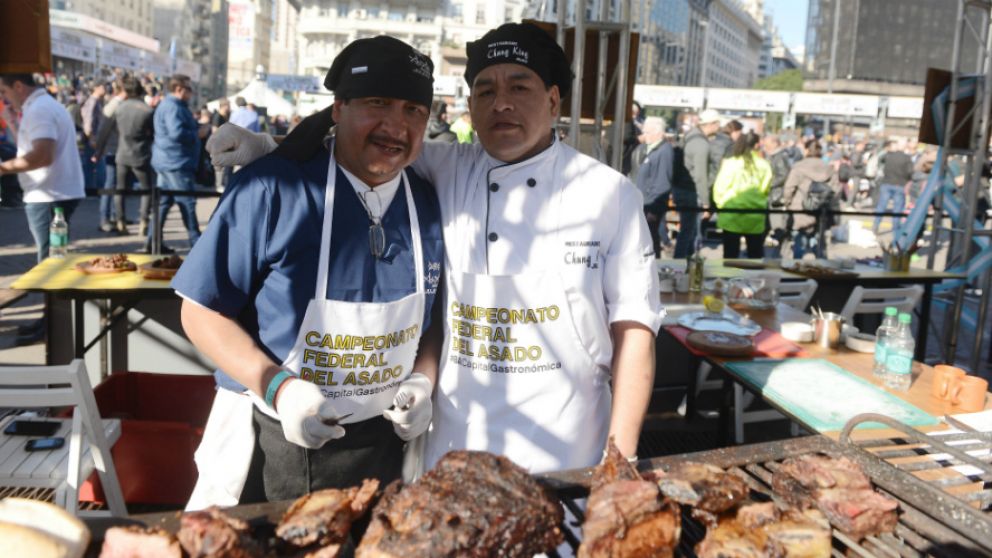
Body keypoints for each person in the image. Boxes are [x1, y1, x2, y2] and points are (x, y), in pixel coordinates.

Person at [208, 22, 662, 472]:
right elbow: (364, 136)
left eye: (519, 87)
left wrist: (620, 459)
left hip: (567, 446)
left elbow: (635, 332)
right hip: (454, 444)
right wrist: (276, 146)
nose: (501, 102)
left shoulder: (609, 194)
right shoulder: (447, 166)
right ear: (469, 107)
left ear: (554, 99)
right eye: (484, 91)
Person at [176, 36, 444, 508]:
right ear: (338, 109)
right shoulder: (271, 190)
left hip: (387, 452)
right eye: (377, 103)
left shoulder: (428, 201)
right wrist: (279, 389)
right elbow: (201, 312)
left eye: (413, 110)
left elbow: (434, 322)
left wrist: (423, 380)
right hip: (273, 439)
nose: (396, 125)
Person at [0, 73, 85, 262]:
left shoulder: (40, 109)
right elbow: (31, 148)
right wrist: (13, 123)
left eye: (4, 91)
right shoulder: (43, 105)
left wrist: (3, 168)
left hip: (48, 194)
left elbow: (42, 156)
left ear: (18, 86)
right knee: (54, 257)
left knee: (50, 261)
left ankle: (55, 293)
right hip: (51, 192)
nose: (3, 98)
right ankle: (56, 292)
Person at [93, 75, 155, 239]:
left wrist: (98, 151)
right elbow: (153, 134)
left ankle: (120, 222)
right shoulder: (147, 110)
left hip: (122, 153)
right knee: (146, 190)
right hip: (141, 154)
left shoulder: (119, 108)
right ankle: (143, 221)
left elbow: (105, 132)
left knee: (119, 189)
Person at [149, 74, 202, 252]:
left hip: (168, 160)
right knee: (187, 202)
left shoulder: (171, 105)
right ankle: (198, 245)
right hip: (176, 162)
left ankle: (152, 242)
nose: (191, 93)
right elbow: (176, 133)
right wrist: (197, 134)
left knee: (163, 203)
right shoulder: (173, 107)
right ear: (179, 89)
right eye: (189, 89)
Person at [712, 132, 772, 259]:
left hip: (731, 214)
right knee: (755, 257)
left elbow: (719, 188)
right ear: (756, 145)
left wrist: (721, 205)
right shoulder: (764, 165)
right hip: (755, 215)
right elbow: (765, 189)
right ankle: (755, 279)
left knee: (730, 256)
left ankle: (729, 279)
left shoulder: (731, 163)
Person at [677, 108, 720, 257]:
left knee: (688, 233)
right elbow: (701, 176)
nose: (719, 127)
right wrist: (706, 202)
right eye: (717, 123)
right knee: (688, 233)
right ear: (711, 124)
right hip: (691, 192)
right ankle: (681, 267)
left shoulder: (690, 136)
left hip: (682, 189)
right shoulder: (701, 144)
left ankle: (683, 267)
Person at [783, 139, 836, 258]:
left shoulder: (798, 167)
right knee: (818, 240)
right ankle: (818, 268)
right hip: (820, 210)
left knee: (798, 240)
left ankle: (797, 268)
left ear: (807, 150)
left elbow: (789, 188)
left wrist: (787, 203)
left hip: (799, 208)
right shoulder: (828, 168)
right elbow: (835, 190)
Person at [634, 116, 673, 257]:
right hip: (645, 204)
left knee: (651, 240)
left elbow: (662, 182)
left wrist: (654, 210)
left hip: (651, 206)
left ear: (659, 133)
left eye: (648, 132)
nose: (645, 136)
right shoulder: (652, 149)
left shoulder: (664, 151)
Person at [94, 80, 125, 232]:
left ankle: (114, 216)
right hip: (112, 150)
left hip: (117, 150)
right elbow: (103, 130)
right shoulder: (114, 105)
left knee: (116, 185)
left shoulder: (117, 104)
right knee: (110, 184)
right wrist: (98, 151)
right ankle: (104, 218)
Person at [872, 140, 914, 234]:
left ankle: (876, 225)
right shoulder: (907, 158)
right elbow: (910, 172)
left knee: (881, 206)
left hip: (886, 182)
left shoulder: (889, 156)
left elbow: (883, 165)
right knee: (897, 208)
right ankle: (895, 229)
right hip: (900, 184)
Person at [763, 134, 792, 256]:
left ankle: (776, 253)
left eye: (767, 144)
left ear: (775, 143)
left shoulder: (779, 157)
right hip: (772, 195)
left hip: (776, 196)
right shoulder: (774, 156)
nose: (765, 146)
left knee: (776, 226)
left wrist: (768, 184)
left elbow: (783, 175)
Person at [80, 82, 106, 193]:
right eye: (102, 86)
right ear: (96, 88)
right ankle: (93, 188)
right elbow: (88, 122)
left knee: (91, 165)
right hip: (94, 139)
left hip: (94, 138)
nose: (104, 88)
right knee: (96, 165)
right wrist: (91, 138)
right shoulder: (92, 102)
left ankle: (91, 188)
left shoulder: (96, 102)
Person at [211, 99, 232, 191]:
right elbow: (214, 130)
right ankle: (218, 185)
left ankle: (222, 184)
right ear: (224, 106)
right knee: (219, 167)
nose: (230, 108)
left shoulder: (226, 116)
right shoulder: (217, 116)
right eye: (228, 105)